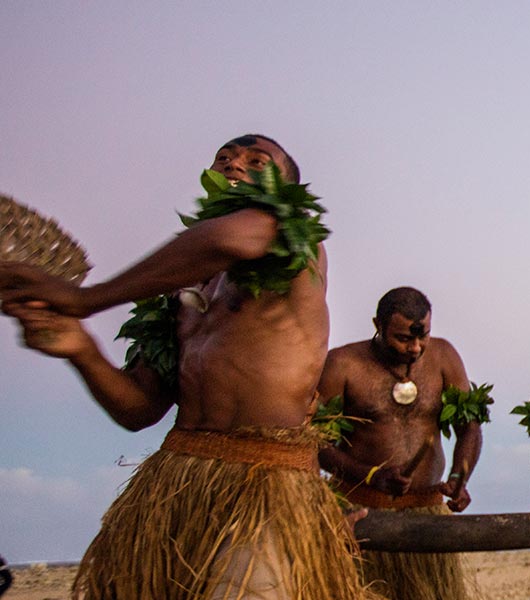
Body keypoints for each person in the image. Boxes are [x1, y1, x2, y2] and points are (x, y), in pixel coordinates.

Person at [0, 134, 367, 599]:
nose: (236, 163)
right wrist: (81, 349)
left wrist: (84, 299)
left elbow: (231, 235)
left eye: (258, 161)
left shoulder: (293, 242)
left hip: (265, 489)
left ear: (285, 190)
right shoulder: (180, 289)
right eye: (226, 157)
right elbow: (137, 410)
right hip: (177, 484)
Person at [317, 286, 483, 600]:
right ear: (377, 325)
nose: (416, 348)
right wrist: (370, 474)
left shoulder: (444, 357)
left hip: (426, 515)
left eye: (424, 337)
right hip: (362, 517)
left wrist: (460, 477)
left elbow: (469, 428)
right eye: (404, 338)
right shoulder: (343, 364)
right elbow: (316, 443)